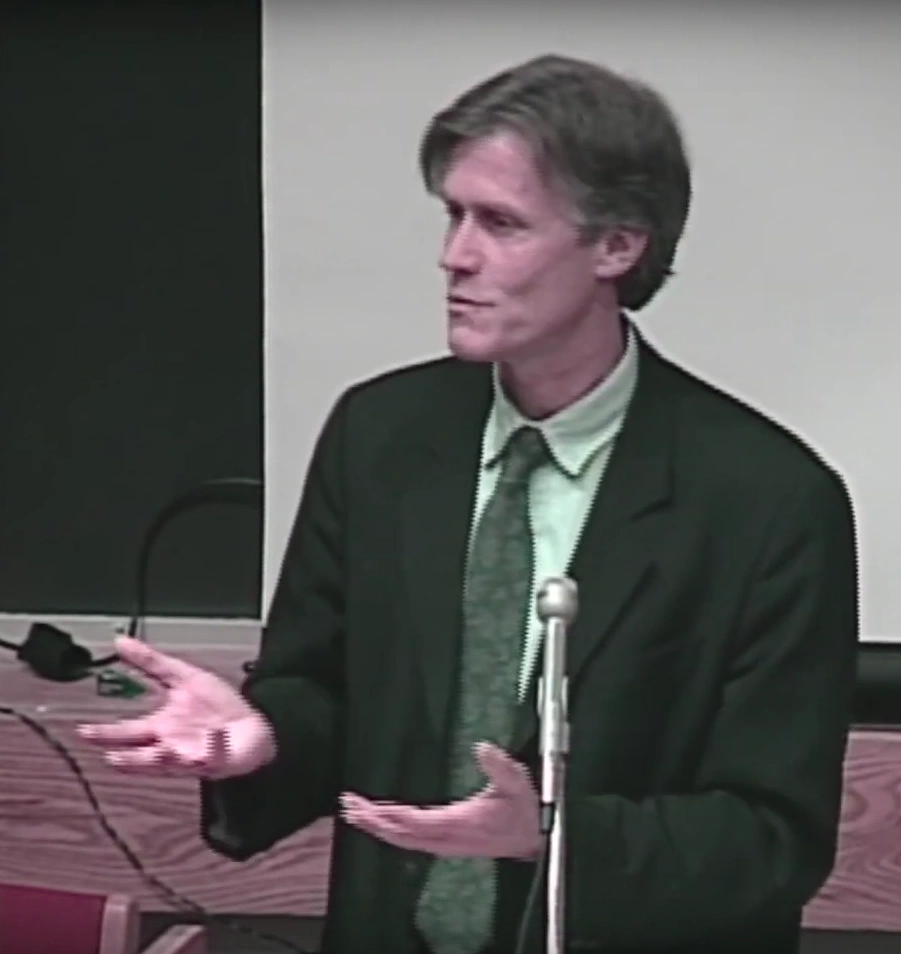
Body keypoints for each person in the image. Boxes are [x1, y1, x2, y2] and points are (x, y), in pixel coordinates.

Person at [78, 53, 859, 954]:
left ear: (617, 246)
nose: (455, 255)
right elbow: (320, 687)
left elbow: (772, 839)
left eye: (501, 223)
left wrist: (551, 835)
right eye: (453, 215)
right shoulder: (382, 437)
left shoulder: (767, 501)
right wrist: (261, 738)